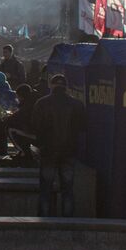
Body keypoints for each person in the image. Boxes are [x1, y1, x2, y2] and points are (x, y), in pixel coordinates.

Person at [32, 74, 86, 217]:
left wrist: (40, 145)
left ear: (51, 85)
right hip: (69, 151)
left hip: (48, 151)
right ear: (66, 87)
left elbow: (36, 127)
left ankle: (44, 219)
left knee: (45, 189)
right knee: (67, 189)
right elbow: (83, 127)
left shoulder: (42, 103)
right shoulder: (77, 105)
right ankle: (67, 221)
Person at [5, 83, 38, 165]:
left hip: (36, 134)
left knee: (10, 129)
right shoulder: (35, 101)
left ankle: (24, 152)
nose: (17, 99)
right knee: (20, 131)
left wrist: (7, 117)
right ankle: (24, 152)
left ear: (21, 96)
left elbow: (13, 119)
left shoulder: (27, 105)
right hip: (40, 132)